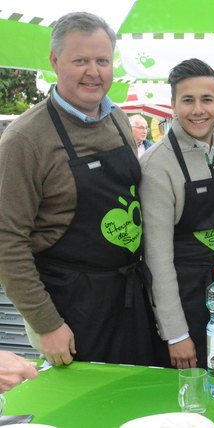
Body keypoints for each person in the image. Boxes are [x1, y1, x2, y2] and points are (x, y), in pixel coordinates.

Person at [0, 12, 158, 366]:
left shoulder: (119, 119)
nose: (94, 71)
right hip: (70, 307)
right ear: (55, 62)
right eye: (80, 61)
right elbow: (7, 241)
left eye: (102, 60)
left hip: (128, 293)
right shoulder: (24, 140)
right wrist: (47, 323)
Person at [139, 58, 214, 369]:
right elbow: (157, 259)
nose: (198, 110)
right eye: (187, 100)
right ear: (173, 105)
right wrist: (176, 333)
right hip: (185, 296)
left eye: (207, 99)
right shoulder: (157, 165)